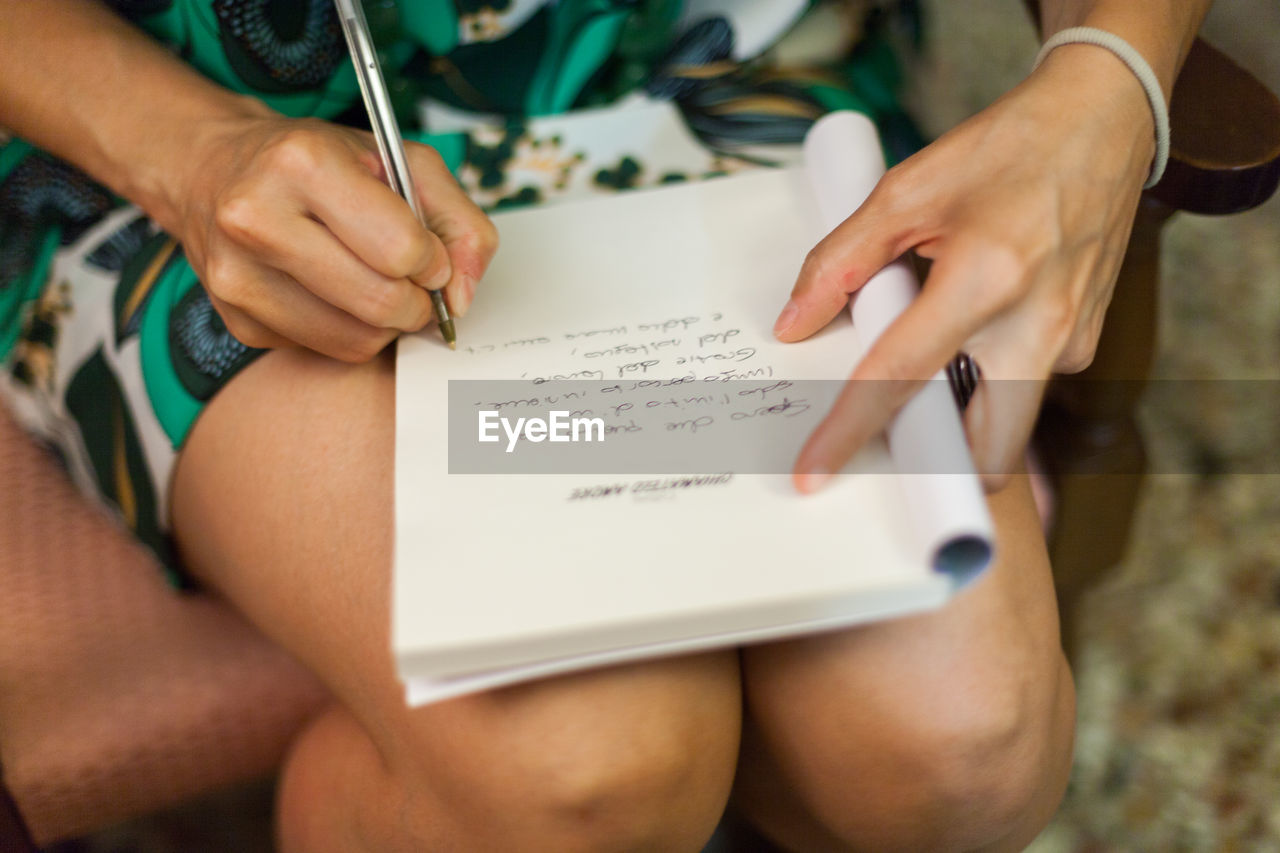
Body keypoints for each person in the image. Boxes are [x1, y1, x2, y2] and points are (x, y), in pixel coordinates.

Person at [0, 1, 1208, 850]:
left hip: (723, 85)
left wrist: (1108, 84)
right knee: (581, 769)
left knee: (964, 750)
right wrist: (195, 153)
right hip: (209, 148)